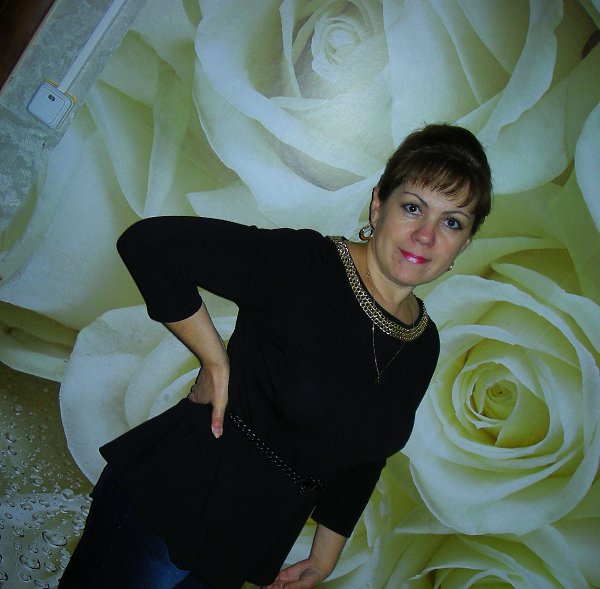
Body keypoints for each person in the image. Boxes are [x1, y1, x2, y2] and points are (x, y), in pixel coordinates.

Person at [58, 123, 492, 589]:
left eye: (451, 222)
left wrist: (323, 558)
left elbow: (365, 458)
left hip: (245, 544)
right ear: (378, 205)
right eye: (413, 207)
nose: (425, 235)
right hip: (172, 504)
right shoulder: (305, 265)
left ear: (464, 243)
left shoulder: (423, 342)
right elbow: (149, 246)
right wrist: (214, 360)